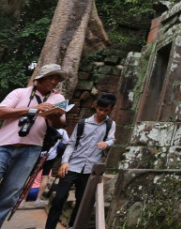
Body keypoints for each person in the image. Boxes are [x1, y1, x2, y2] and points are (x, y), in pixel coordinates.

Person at [0, 64, 67, 227]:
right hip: (4, 145)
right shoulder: (20, 93)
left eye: (57, 79)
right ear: (39, 78)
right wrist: (32, 109)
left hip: (31, 149)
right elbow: (1, 112)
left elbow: (60, 124)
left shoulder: (59, 99)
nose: (54, 81)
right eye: (50, 77)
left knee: (11, 193)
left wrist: (54, 115)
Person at [45, 93, 116, 229]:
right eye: (100, 109)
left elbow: (112, 139)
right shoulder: (83, 123)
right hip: (72, 165)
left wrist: (107, 143)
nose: (101, 113)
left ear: (110, 109)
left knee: (82, 201)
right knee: (59, 198)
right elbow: (71, 144)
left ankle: (73, 226)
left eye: (105, 110)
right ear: (95, 107)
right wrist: (65, 161)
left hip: (90, 169)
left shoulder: (110, 124)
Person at [36, 128, 70, 204]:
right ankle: (38, 199)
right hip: (51, 155)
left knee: (31, 175)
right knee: (45, 176)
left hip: (38, 153)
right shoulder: (62, 131)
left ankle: (23, 198)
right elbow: (67, 141)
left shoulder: (45, 126)